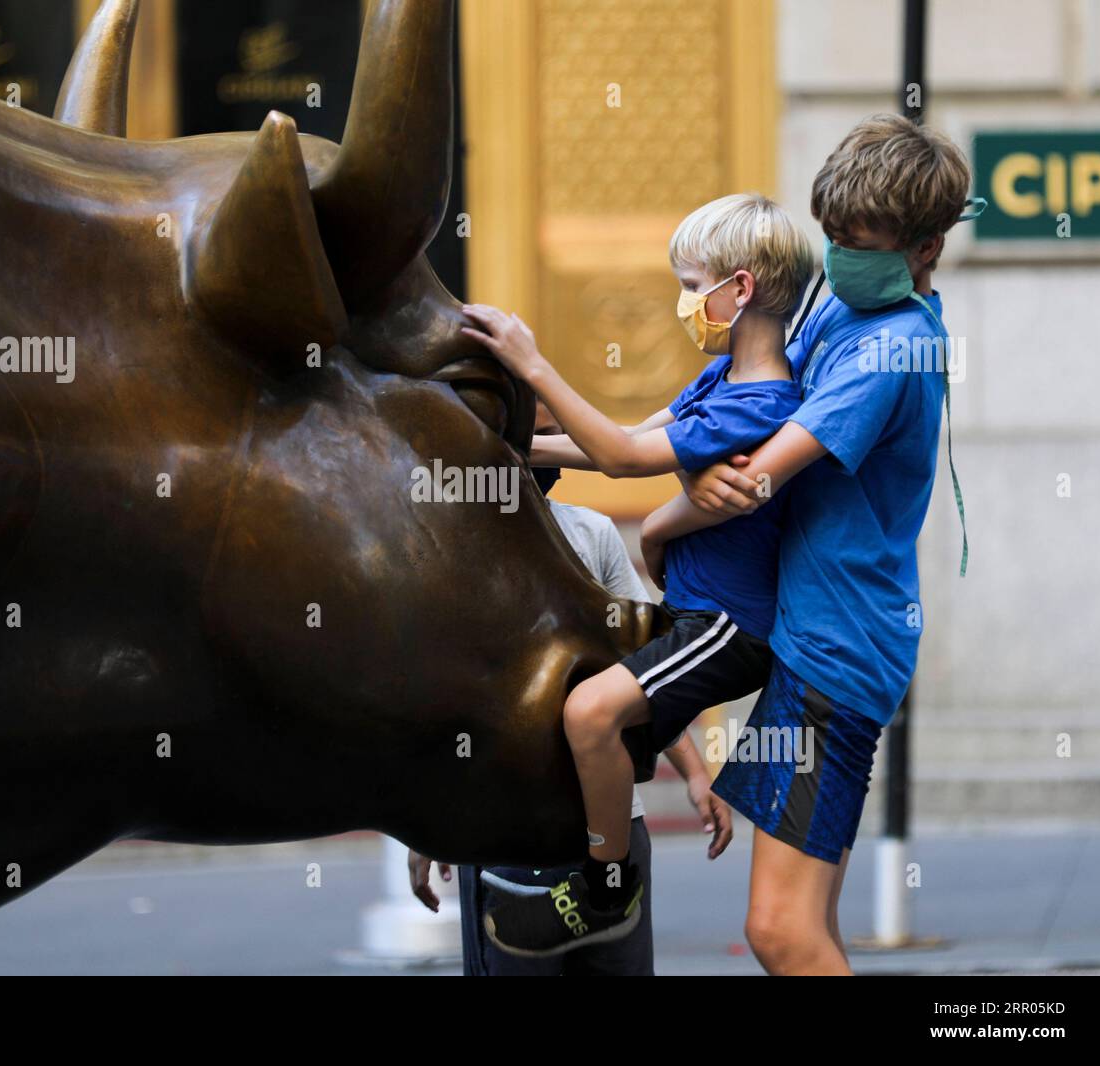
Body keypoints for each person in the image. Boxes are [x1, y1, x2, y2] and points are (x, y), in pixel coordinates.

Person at [459, 192, 814, 957]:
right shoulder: (718, 381)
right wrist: (510, 448)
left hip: (728, 628)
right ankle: (592, 870)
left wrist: (533, 364)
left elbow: (622, 461)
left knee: (589, 714)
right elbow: (619, 439)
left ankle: (605, 890)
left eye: (693, 285)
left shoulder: (761, 402)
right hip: (692, 618)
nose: (685, 302)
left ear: (740, 289)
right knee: (584, 715)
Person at [664, 116, 976, 974]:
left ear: (924, 247)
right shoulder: (846, 302)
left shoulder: (896, 345)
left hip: (835, 651)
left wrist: (659, 520)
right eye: (831, 236)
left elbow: (757, 476)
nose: (837, 257)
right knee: (811, 924)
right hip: (820, 637)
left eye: (860, 243)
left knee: (779, 930)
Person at [406, 402, 732, 976]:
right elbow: (443, 697)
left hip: (609, 828)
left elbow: (643, 668)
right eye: (533, 439)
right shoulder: (458, 551)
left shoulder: (595, 534)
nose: (546, 451)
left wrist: (697, 774)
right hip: (504, 829)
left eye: (557, 437)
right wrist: (427, 822)